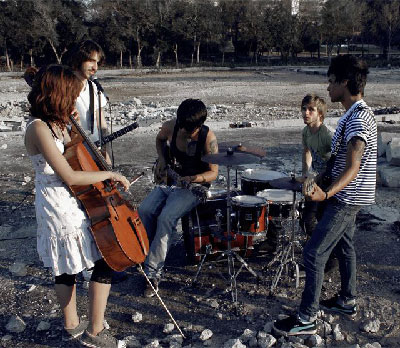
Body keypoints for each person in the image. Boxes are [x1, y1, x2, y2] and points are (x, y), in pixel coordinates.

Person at [24, 64, 129, 348]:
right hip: (57, 205)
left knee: (74, 265)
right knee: (95, 262)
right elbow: (69, 174)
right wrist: (110, 174)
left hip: (73, 199)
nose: (74, 101)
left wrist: (73, 126)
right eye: (71, 95)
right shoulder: (38, 128)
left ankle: (75, 325)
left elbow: (76, 153)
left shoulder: (57, 123)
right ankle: (92, 331)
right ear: (57, 94)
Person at [273, 54, 377, 336]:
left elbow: (353, 167)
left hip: (347, 198)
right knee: (345, 247)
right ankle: (347, 299)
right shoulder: (353, 115)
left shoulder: (357, 118)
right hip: (346, 196)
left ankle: (306, 318)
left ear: (344, 82)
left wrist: (326, 193)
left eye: (331, 82)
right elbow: (337, 161)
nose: (328, 88)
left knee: (314, 252)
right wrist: (314, 180)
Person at [138, 98, 218, 297]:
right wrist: (163, 160)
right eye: (182, 126)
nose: (184, 132)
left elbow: (213, 173)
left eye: (189, 129)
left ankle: (153, 273)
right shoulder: (170, 127)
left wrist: (196, 178)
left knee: (166, 218)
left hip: (192, 187)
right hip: (170, 180)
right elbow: (159, 140)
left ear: (199, 126)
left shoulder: (208, 138)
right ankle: (144, 254)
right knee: (144, 210)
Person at [66, 39, 111, 164]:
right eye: (91, 61)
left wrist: (105, 152)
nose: (95, 67)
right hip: (73, 153)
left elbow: (101, 123)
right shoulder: (63, 87)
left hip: (95, 151)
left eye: (97, 62)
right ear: (80, 59)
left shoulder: (94, 87)